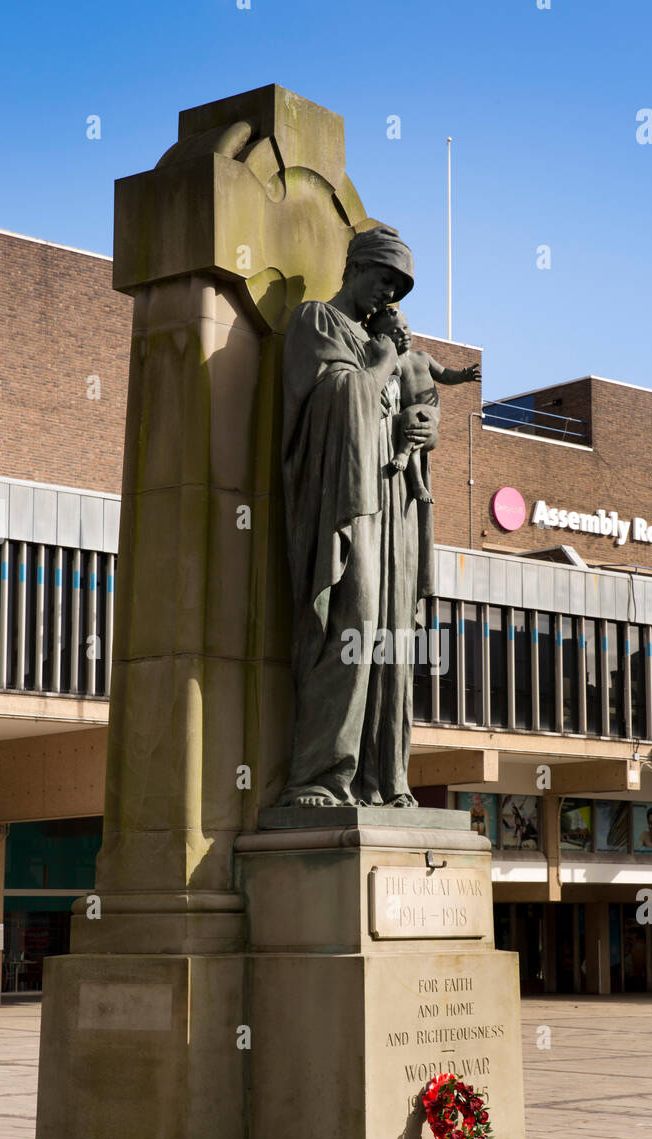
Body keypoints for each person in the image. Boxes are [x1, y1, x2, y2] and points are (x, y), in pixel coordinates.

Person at [277, 227, 436, 808]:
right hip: (345, 505)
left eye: (398, 287)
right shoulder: (317, 321)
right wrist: (386, 359)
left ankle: (381, 780)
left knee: (393, 640)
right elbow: (336, 401)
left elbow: (395, 415)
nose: (387, 295)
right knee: (354, 624)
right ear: (355, 268)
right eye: (382, 279)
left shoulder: (377, 342)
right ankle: (319, 776)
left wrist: (422, 430)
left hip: (391, 504)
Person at [365, 306, 480, 504]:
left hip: (430, 410)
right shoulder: (394, 363)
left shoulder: (422, 357)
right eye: (394, 332)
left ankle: (402, 453)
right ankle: (417, 483)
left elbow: (444, 374)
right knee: (414, 442)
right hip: (410, 417)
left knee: (411, 420)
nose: (403, 334)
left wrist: (462, 376)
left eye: (405, 327)